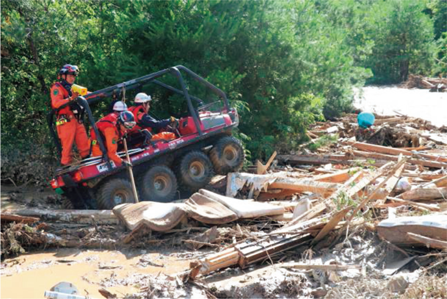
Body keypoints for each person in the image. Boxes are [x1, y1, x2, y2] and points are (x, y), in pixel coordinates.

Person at [50, 64, 90, 166]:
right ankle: (65, 175)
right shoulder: (57, 87)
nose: (73, 78)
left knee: (85, 146)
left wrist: (100, 94)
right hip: (65, 121)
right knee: (67, 149)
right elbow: (56, 103)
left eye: (74, 76)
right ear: (63, 76)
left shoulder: (73, 88)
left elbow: (86, 94)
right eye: (70, 75)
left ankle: (88, 168)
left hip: (77, 120)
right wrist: (71, 99)